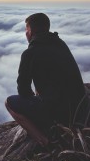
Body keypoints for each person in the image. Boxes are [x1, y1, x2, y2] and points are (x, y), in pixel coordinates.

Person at [5, 13, 85, 146]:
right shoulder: (60, 43)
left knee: (9, 102)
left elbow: (23, 90)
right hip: (79, 108)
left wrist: (37, 100)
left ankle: (45, 141)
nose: (26, 34)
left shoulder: (29, 53)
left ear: (30, 32)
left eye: (26, 30)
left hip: (59, 114)